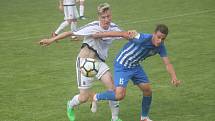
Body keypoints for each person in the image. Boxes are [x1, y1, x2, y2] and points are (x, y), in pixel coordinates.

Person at [39, 3, 130, 121]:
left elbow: (126, 35)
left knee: (113, 89)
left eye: (108, 16)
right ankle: (70, 105)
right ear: (99, 17)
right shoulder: (92, 26)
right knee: (84, 98)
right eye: (103, 17)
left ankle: (115, 118)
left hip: (99, 62)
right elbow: (70, 33)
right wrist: (51, 40)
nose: (106, 19)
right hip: (84, 63)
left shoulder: (114, 28)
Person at [92, 24, 181, 121]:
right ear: (154, 34)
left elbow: (167, 63)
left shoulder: (160, 47)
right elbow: (121, 34)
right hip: (122, 65)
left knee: (147, 91)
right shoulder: (142, 38)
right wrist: (100, 35)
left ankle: (144, 118)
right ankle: (96, 97)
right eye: (158, 37)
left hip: (135, 66)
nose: (160, 41)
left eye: (163, 39)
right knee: (119, 95)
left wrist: (174, 77)